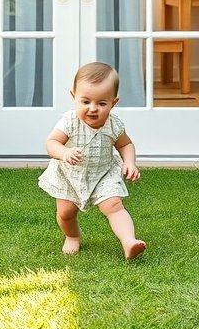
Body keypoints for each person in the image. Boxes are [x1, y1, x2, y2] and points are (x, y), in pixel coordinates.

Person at [38, 62, 146, 260]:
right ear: (74, 97)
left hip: (103, 173)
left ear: (114, 102)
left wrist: (129, 162)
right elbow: (51, 142)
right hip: (69, 175)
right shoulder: (69, 121)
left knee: (114, 206)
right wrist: (64, 153)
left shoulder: (114, 125)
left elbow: (125, 145)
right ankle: (72, 236)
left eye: (102, 103)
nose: (93, 109)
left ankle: (129, 241)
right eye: (85, 102)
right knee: (65, 213)